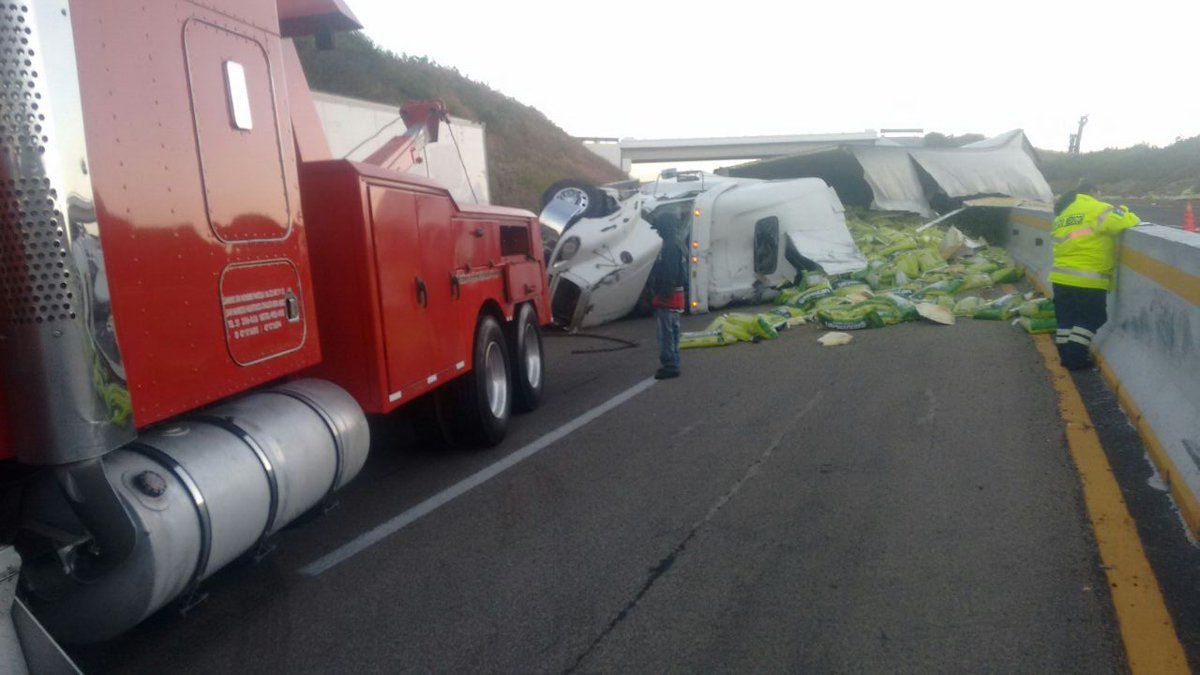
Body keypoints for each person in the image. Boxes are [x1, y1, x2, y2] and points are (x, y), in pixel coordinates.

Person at [1050, 183, 1140, 370]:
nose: (1101, 196)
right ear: (1092, 192)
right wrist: (1123, 209)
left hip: (1061, 277)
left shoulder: (1064, 214)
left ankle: (1065, 355)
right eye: (1100, 192)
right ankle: (1075, 357)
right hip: (1087, 277)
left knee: (1066, 318)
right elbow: (1123, 222)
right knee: (1093, 317)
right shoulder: (1098, 208)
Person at [648, 212, 687, 380]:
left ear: (665, 228)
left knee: (666, 333)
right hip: (677, 294)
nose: (658, 232)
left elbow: (669, 273)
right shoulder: (678, 244)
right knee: (673, 331)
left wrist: (662, 295)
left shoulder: (670, 247)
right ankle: (674, 361)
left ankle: (670, 365)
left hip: (668, 296)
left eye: (659, 228)